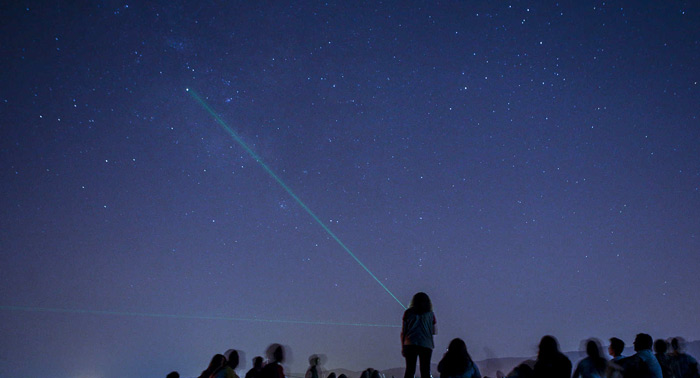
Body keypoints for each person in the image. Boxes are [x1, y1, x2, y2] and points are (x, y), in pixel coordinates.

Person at [401, 292, 437, 378]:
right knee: (425, 370)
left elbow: (404, 331)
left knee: (410, 370)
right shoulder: (431, 314)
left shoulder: (408, 313)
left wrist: (403, 346)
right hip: (426, 344)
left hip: (410, 343)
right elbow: (434, 331)